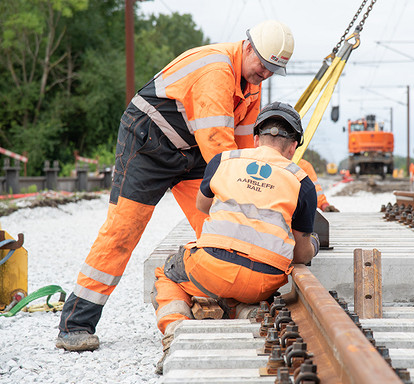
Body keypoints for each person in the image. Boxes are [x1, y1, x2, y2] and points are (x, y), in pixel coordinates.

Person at [56, 20, 295, 352]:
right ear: (248, 47)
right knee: (123, 231)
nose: (265, 74)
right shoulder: (216, 71)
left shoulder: (251, 87)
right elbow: (219, 147)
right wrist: (243, 190)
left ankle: (222, 299)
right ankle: (76, 323)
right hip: (149, 144)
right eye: (263, 65)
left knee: (219, 228)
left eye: (272, 70)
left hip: (193, 152)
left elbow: (242, 150)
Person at [151, 102, 319, 374]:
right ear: (293, 147)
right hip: (263, 281)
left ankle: (173, 331)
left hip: (210, 268)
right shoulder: (302, 181)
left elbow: (202, 206)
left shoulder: (224, 161)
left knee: (168, 273)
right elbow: (300, 255)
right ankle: (243, 309)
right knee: (242, 285)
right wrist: (313, 245)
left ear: (255, 140)